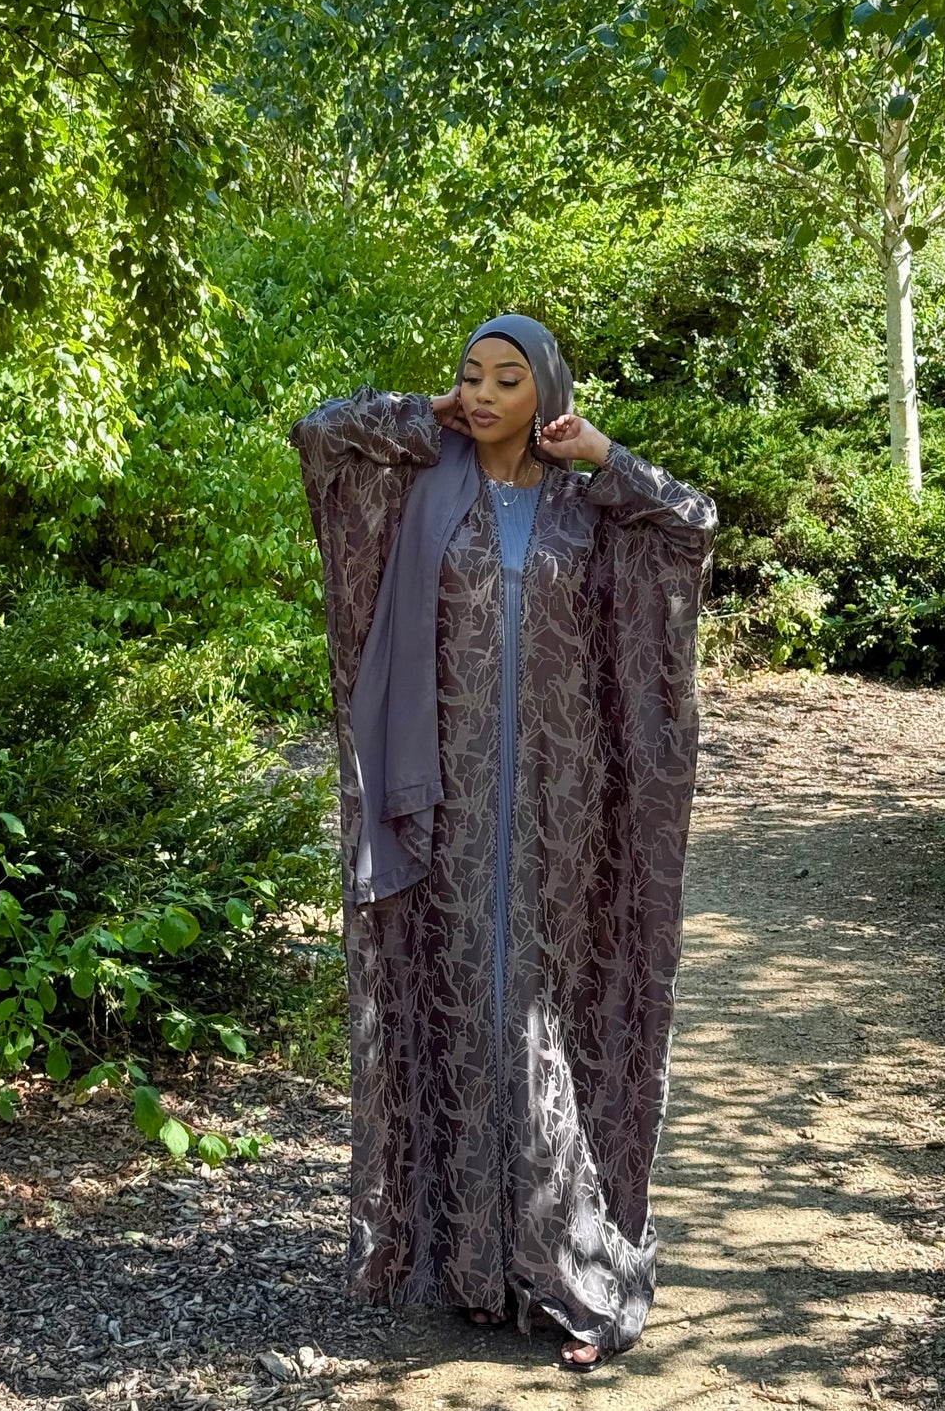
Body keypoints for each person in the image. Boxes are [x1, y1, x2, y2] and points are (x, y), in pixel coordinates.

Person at [289, 314, 717, 1370]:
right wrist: (415, 413)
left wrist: (607, 457)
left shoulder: (582, 504)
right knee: (473, 1015)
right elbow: (319, 436)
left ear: (545, 393)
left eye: (505, 379)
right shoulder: (422, 484)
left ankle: (577, 1270)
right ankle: (480, 1268)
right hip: (446, 805)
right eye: (470, 375)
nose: (481, 394)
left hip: (567, 811)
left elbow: (691, 525)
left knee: (541, 1016)